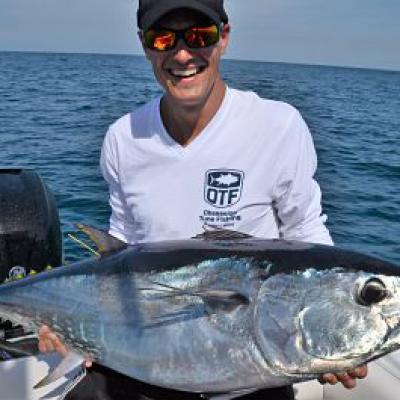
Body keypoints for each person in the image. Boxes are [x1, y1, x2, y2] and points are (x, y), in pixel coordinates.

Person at [39, 0, 368, 399]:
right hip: (145, 357)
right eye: (163, 38)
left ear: (223, 38)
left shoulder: (277, 126)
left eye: (199, 35)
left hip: (251, 366)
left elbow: (306, 231)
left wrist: (335, 316)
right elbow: (121, 248)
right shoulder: (123, 137)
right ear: (145, 45)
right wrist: (70, 318)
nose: (182, 54)